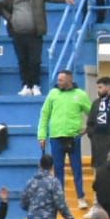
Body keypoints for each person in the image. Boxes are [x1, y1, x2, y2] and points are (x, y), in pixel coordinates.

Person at [2, 0, 71, 96]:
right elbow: (0, 7)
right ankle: (25, 85)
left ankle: (35, 85)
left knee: (34, 60)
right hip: (18, 34)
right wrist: (10, 18)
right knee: (22, 61)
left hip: (34, 34)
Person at [39, 69, 92, 207]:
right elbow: (44, 115)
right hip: (56, 136)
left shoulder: (80, 95)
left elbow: (92, 112)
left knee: (77, 168)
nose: (58, 82)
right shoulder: (53, 94)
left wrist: (88, 128)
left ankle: (80, 197)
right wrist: (42, 135)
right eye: (58, 79)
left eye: (61, 80)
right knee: (58, 169)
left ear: (69, 79)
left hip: (73, 137)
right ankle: (59, 198)